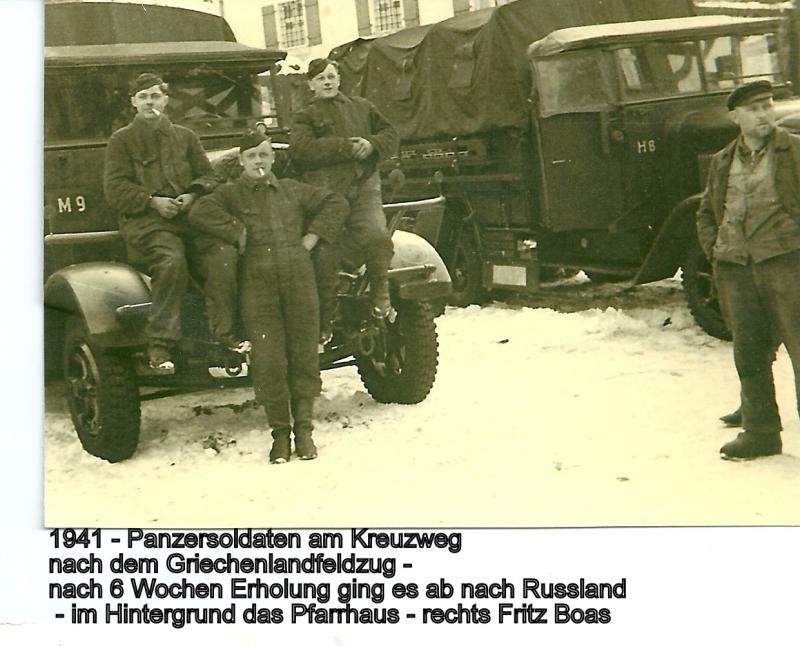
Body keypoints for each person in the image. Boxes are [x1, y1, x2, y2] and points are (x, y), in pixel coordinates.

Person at [190, 131, 348, 463]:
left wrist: (312, 237)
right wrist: (237, 231)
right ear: (241, 162)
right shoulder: (230, 194)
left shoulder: (292, 189)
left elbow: (336, 202)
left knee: (304, 355)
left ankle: (304, 432)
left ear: (273, 158)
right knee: (269, 360)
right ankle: (279, 435)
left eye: (264, 155)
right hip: (257, 283)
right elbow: (200, 211)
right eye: (251, 156)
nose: (258, 161)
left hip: (298, 278)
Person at [104, 72, 242, 372]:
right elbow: (115, 189)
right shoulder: (122, 140)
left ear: (166, 100)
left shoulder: (185, 137)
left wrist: (192, 194)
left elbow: (209, 175)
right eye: (143, 97)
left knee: (223, 255)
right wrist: (152, 201)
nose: (150, 102)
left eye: (155, 96)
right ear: (133, 103)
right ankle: (160, 345)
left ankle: (225, 336)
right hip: (147, 225)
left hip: (190, 221)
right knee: (172, 261)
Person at [696, 80, 800, 460]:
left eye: (767, 106)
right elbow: (707, 211)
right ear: (735, 117)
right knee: (750, 354)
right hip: (737, 270)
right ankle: (760, 433)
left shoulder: (794, 151)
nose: (763, 115)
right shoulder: (723, 160)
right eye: (753, 109)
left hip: (786, 265)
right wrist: (717, 251)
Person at [289, 58, 399, 344]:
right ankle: (325, 322)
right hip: (327, 195)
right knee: (326, 255)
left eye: (331, 76)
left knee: (379, 238)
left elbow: (391, 134)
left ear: (339, 79)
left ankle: (381, 296)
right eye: (320, 78)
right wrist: (343, 147)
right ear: (310, 84)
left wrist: (372, 144)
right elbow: (300, 150)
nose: (327, 82)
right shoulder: (305, 116)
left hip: (364, 189)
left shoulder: (362, 107)